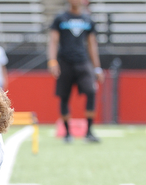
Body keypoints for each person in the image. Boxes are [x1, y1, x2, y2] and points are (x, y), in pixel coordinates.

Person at [47, 0, 104, 143]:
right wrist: (52, 61)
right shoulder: (60, 18)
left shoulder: (88, 20)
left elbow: (92, 44)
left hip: (83, 62)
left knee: (91, 92)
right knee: (64, 97)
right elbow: (53, 41)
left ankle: (89, 132)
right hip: (65, 62)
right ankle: (67, 133)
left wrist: (97, 67)